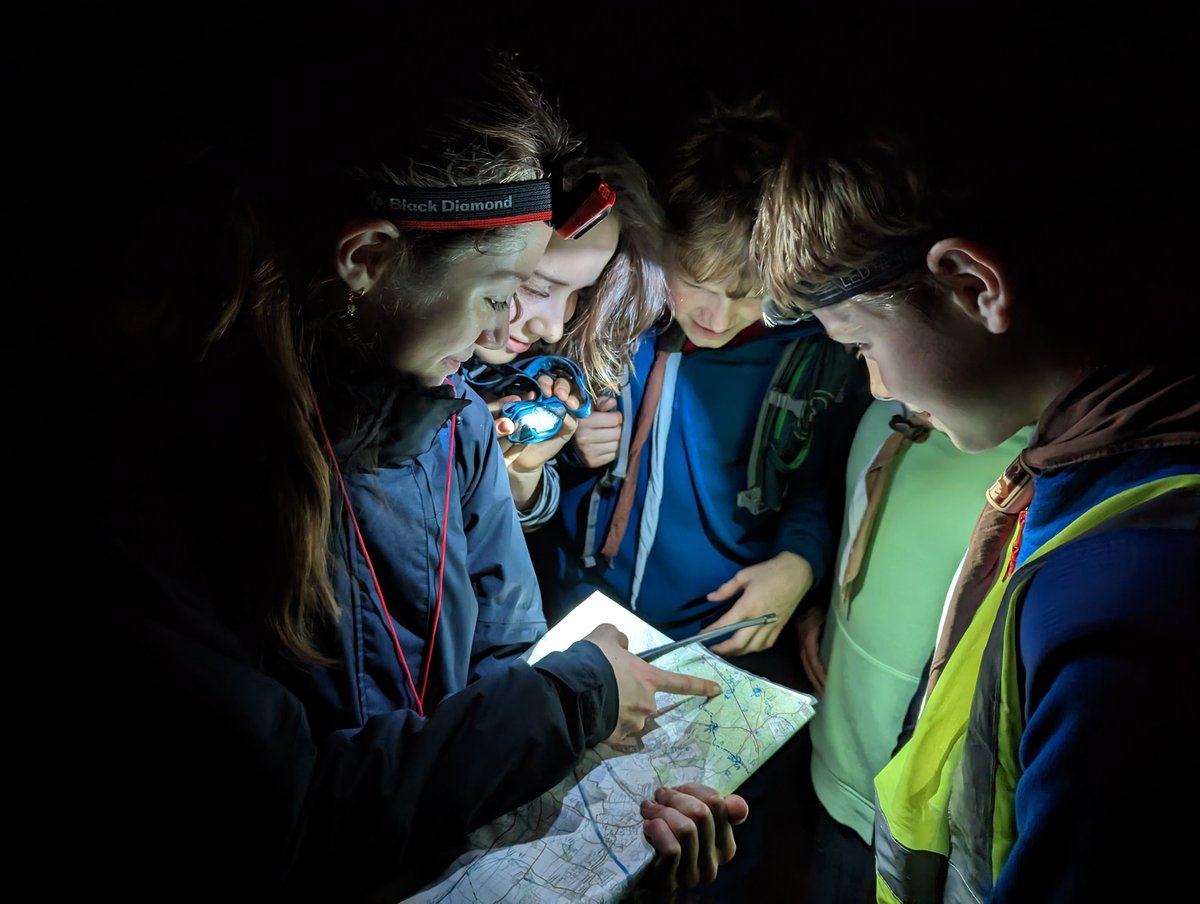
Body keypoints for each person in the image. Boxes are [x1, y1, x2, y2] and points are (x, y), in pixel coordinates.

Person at [19, 18, 748, 904]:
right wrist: (563, 708)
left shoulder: (458, 431)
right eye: (500, 293)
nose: (513, 331)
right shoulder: (149, 482)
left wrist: (598, 790)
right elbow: (279, 821)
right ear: (368, 260)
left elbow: (504, 667)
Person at [751, 16, 1199, 903]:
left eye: (858, 341)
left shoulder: (1129, 595)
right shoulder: (1096, 484)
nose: (874, 386)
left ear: (973, 284)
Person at [536, 94, 868, 903]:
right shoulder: (622, 320)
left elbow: (818, 481)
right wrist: (574, 455)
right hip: (584, 619)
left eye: (753, 293)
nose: (720, 316)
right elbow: (533, 464)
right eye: (699, 280)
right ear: (664, 241)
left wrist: (801, 561)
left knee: (702, 856)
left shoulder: (818, 351)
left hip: (727, 651)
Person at [792, 398, 1033, 903]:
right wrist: (815, 603)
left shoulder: (1025, 484)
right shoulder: (883, 410)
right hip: (827, 762)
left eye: (871, 344)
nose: (875, 384)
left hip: (905, 828)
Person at [466, 143, 671, 530]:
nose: (554, 327)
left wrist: (524, 473)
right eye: (536, 287)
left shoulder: (541, 376)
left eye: (577, 294)